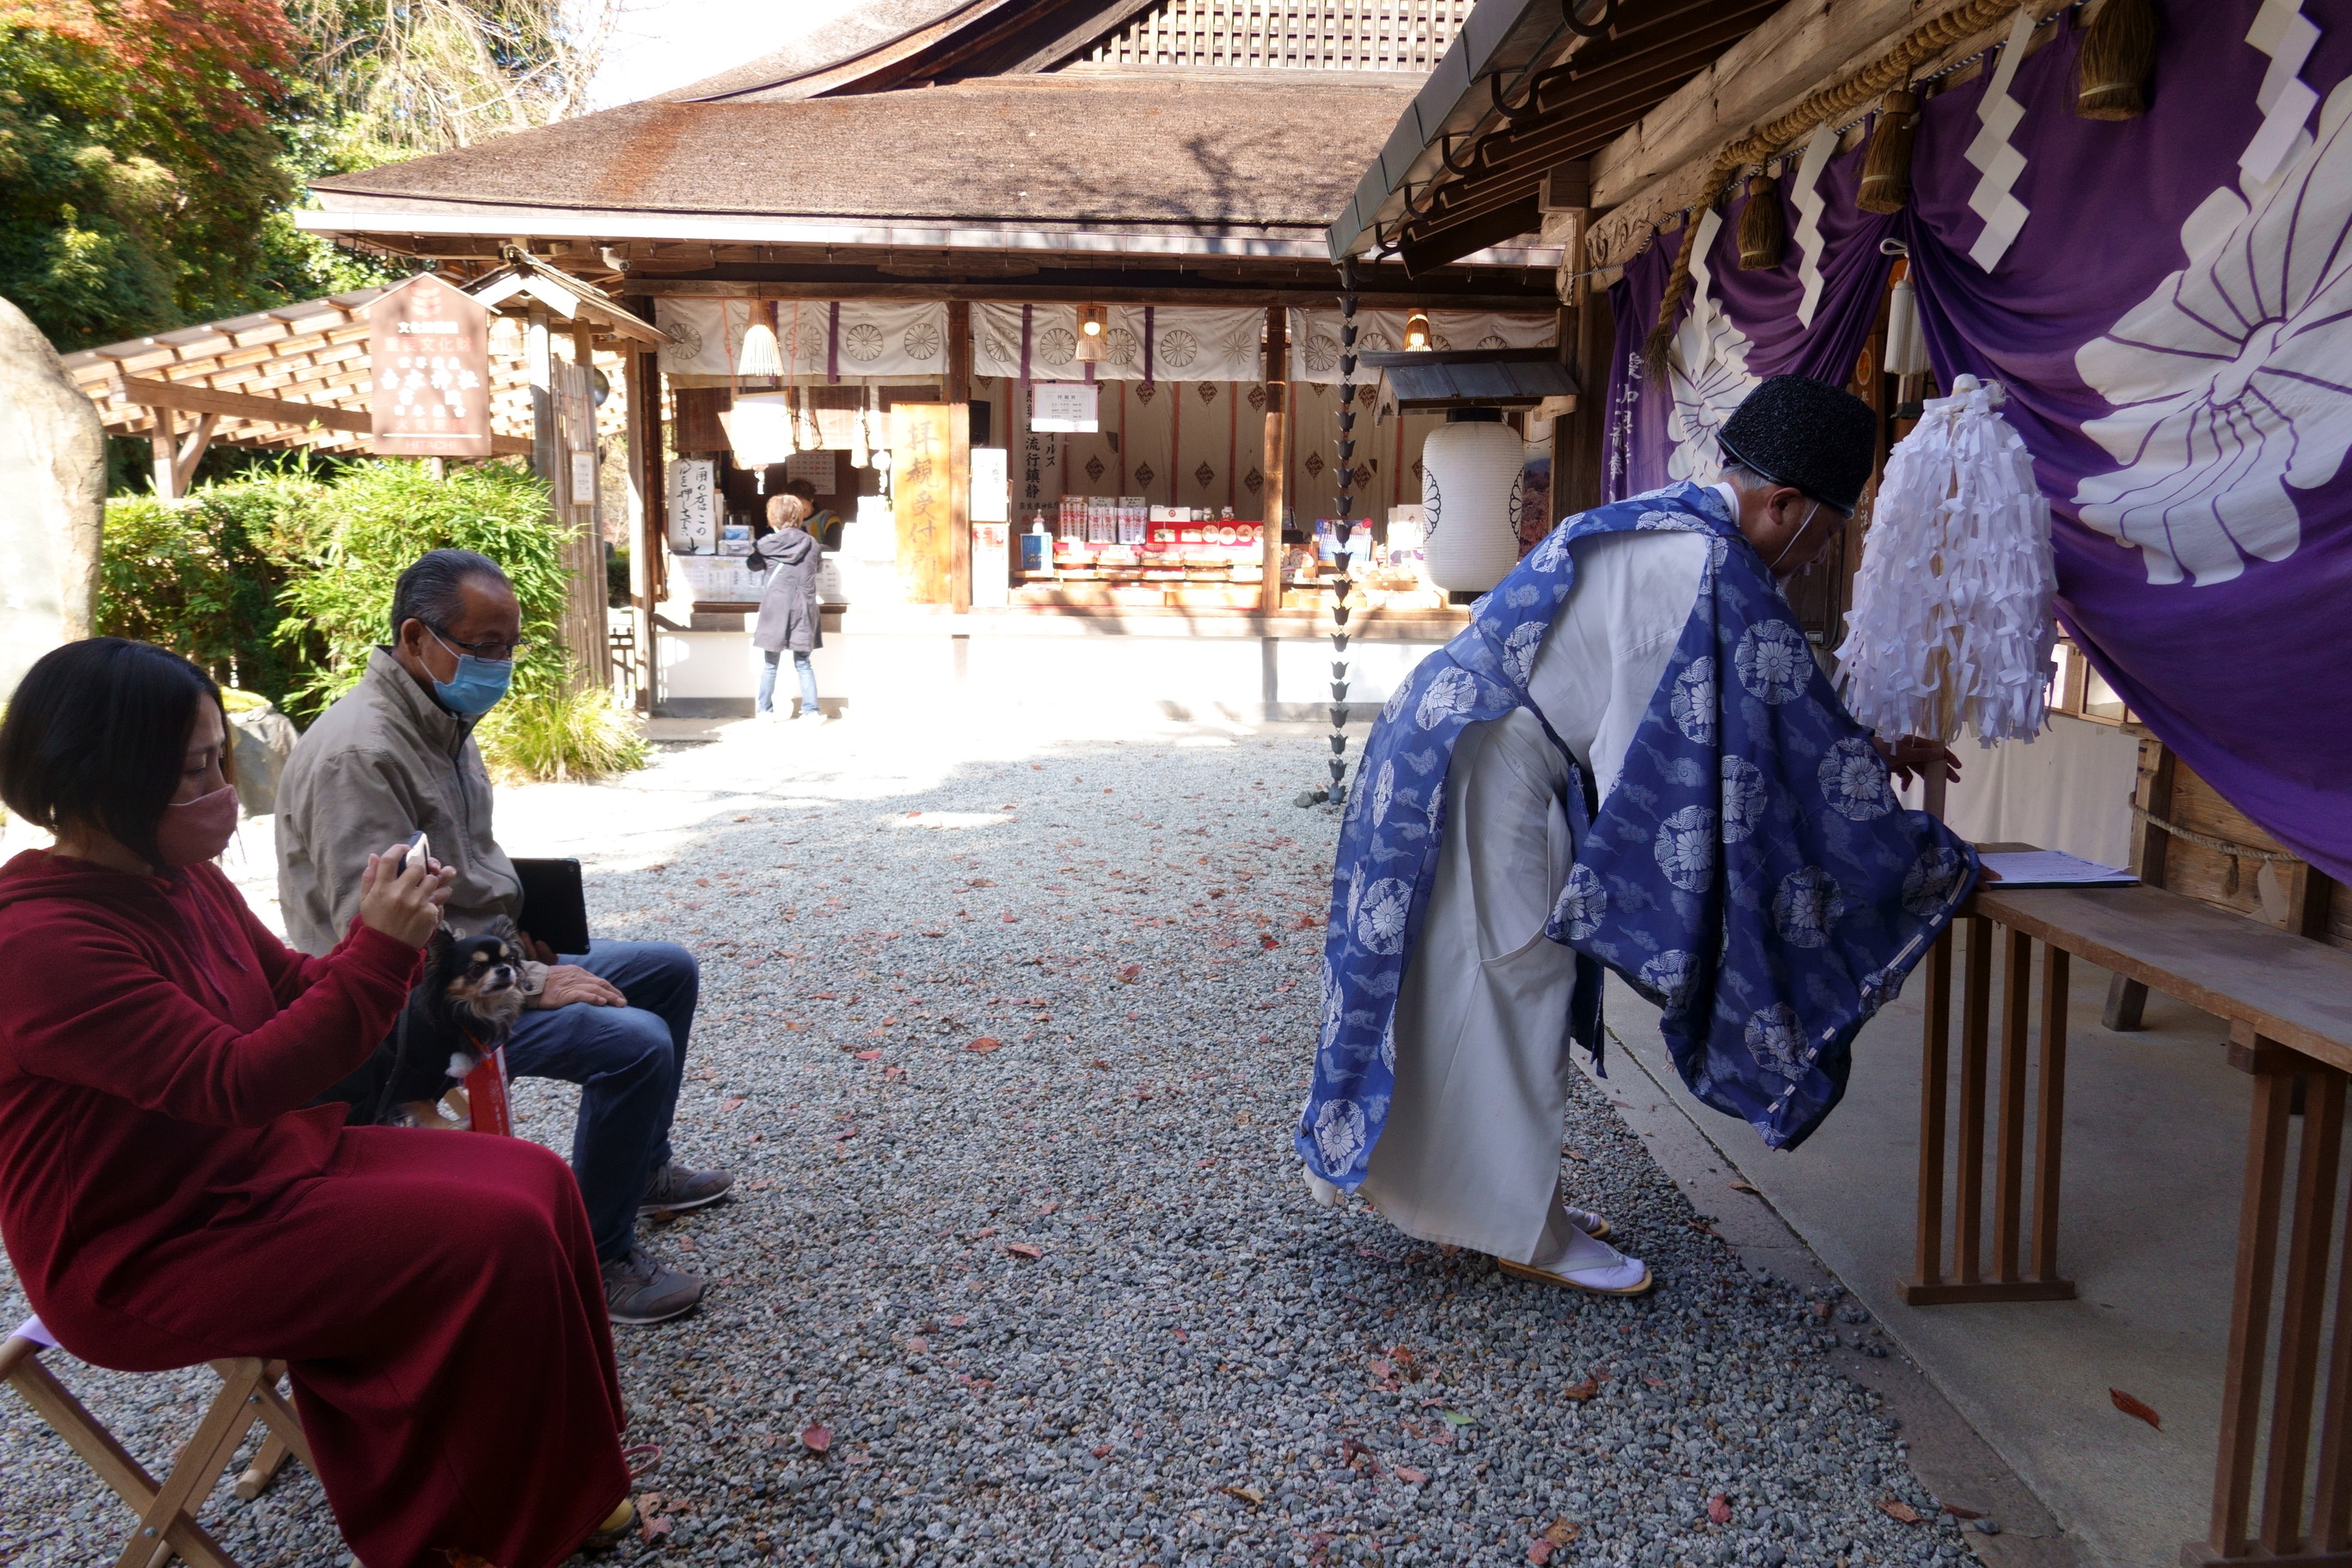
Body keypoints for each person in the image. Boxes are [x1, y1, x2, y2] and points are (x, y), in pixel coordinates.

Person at [1300, 376, 1978, 1295]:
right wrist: (1903, 852)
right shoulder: (1710, 569)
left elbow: (1762, 718)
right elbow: (1700, 754)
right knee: (1514, 972)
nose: (1821, 557)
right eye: (1828, 532)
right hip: (1489, 762)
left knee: (1465, 975)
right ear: (1783, 505)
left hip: (1455, 739)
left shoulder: (1676, 526)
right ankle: (1519, 1224)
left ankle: (1480, 1196)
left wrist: (1868, 750)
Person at [0, 638, 636, 1567]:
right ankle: (471, 1533)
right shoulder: (41, 942)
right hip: (145, 1247)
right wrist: (379, 953)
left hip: (258, 1169)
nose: (224, 786)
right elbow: (238, 1080)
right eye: (193, 770)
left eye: (220, 758)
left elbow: (298, 987)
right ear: (100, 781)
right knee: (482, 1242)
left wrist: (404, 946)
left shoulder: (180, 880)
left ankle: (562, 1477)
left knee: (536, 1184)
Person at [275, 549, 731, 1326]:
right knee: (635, 1041)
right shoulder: (363, 752)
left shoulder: (440, 715)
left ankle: (639, 1171)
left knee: (666, 971)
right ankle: (600, 1253)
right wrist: (523, 982)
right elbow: (384, 933)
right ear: (417, 638)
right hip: (405, 1013)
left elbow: (459, 869)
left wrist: (525, 928)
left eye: (510, 644)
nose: (501, 664)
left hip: (478, 958)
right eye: (484, 646)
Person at [750, 493, 827, 722]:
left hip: (775, 608)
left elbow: (752, 565)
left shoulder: (765, 545)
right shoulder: (811, 544)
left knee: (770, 664)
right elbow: (818, 568)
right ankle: (811, 712)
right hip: (804, 607)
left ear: (772, 517)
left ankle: (765, 711)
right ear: (798, 516)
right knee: (803, 663)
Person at [783, 475, 845, 553]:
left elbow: (834, 547)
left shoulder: (828, 519)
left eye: (802, 502)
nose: (799, 508)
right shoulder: (787, 522)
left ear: (811, 499)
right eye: (793, 504)